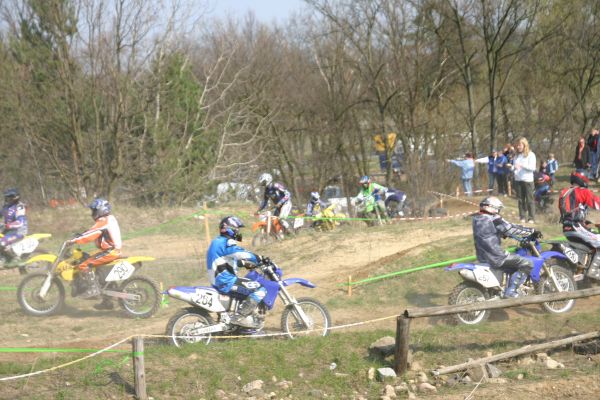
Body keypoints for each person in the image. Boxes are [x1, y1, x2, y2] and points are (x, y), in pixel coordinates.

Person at [206, 216, 267, 328]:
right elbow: (240, 253)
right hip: (226, 282)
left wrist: (243, 263)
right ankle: (240, 317)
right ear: (230, 228)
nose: (238, 232)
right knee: (260, 289)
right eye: (237, 229)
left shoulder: (217, 241)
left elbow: (224, 260)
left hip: (218, 280)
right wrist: (259, 258)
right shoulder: (226, 242)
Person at [473, 197, 540, 297]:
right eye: (498, 209)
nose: (499, 211)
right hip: (496, 256)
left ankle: (504, 288)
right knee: (527, 263)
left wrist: (501, 233)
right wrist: (531, 231)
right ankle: (511, 291)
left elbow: (487, 233)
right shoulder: (493, 218)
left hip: (482, 256)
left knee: (512, 263)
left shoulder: (477, 218)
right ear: (492, 207)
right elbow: (510, 228)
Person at [68, 198, 122, 309]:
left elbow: (92, 234)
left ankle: (93, 289)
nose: (92, 213)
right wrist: (81, 235)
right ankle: (107, 302)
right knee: (98, 270)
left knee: (84, 265)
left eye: (94, 210)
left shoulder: (104, 221)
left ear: (101, 210)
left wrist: (74, 241)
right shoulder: (108, 219)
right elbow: (92, 231)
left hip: (111, 252)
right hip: (111, 250)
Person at [558, 171, 600, 280]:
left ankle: (581, 269)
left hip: (566, 228)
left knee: (590, 244)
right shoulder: (583, 191)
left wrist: (586, 222)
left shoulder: (564, 192)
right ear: (583, 180)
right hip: (576, 227)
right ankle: (594, 273)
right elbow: (597, 204)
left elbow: (568, 212)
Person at [510, 137, 536, 223]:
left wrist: (522, 165)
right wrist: (512, 167)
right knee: (520, 200)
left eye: (520, 145)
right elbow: (515, 166)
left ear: (525, 145)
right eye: (517, 145)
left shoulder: (531, 155)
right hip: (518, 180)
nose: (518, 147)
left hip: (528, 180)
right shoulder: (516, 156)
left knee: (529, 200)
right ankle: (522, 217)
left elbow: (532, 168)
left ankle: (531, 218)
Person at [0, 188, 28, 267]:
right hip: (8, 230)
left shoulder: (19, 207)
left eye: (10, 197)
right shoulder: (6, 207)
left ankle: (16, 259)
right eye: (7, 197)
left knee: (2, 242)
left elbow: (20, 221)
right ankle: (3, 258)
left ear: (15, 197)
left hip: (19, 231)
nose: (8, 199)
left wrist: (8, 225)